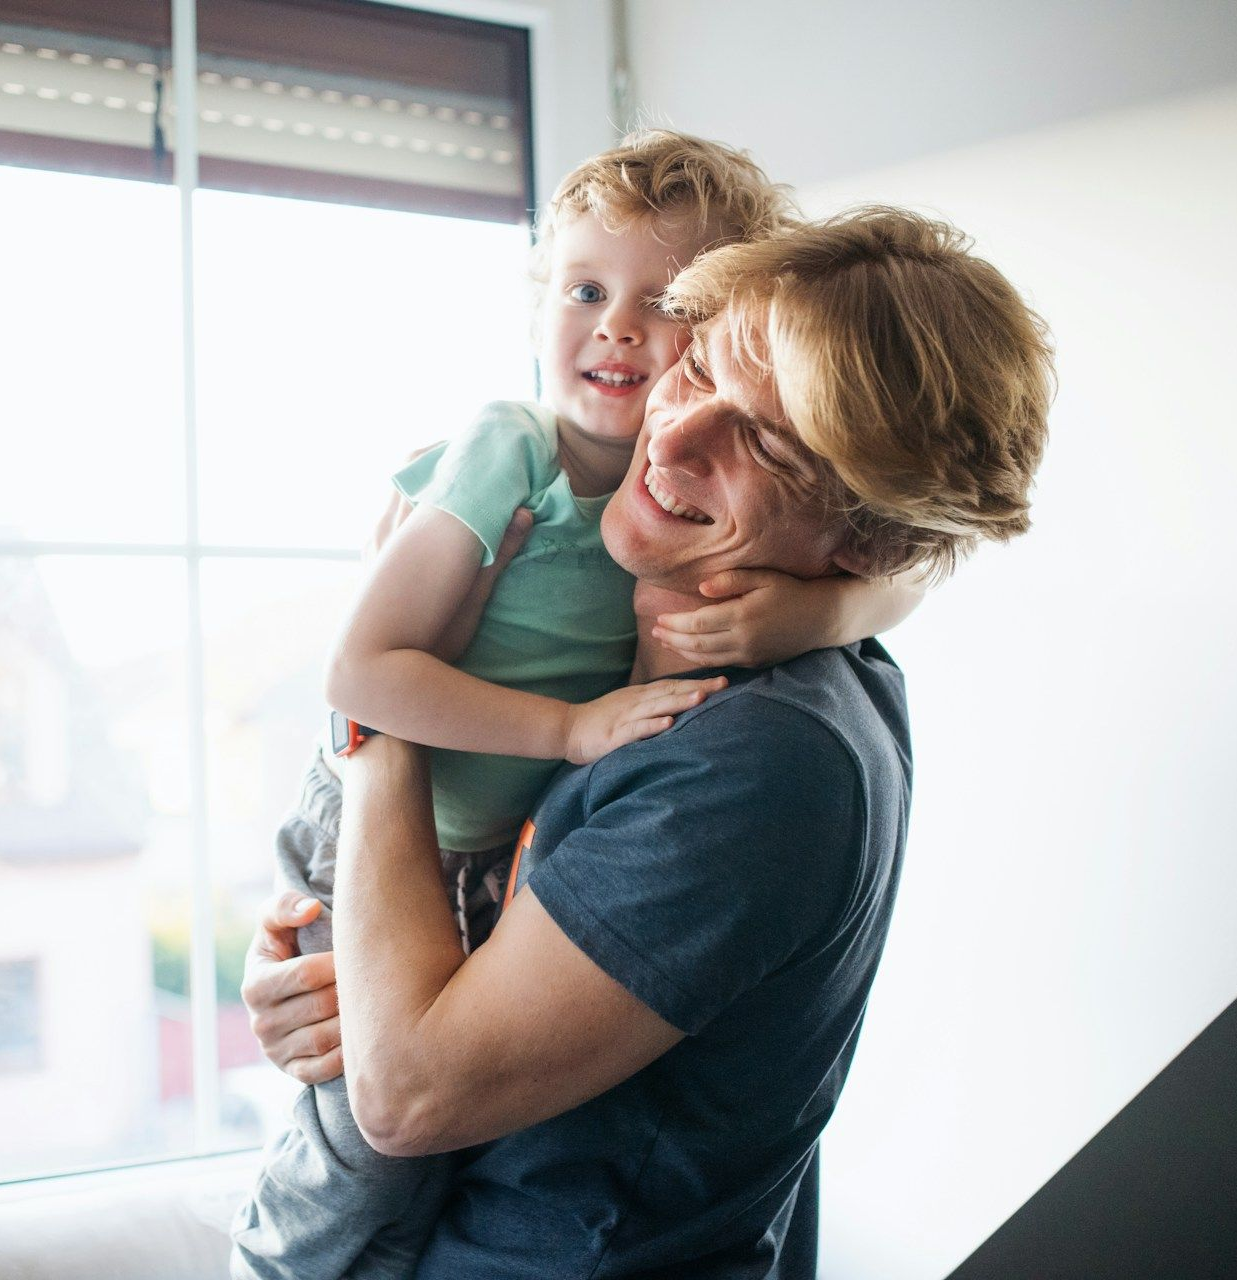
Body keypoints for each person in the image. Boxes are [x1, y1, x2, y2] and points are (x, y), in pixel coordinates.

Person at [242, 206, 1052, 1276]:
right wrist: (341, 979)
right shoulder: (698, 642)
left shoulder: (761, 760)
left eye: (762, 441)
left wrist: (384, 715)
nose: (668, 438)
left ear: (866, 534)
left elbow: (408, 1090)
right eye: (697, 366)